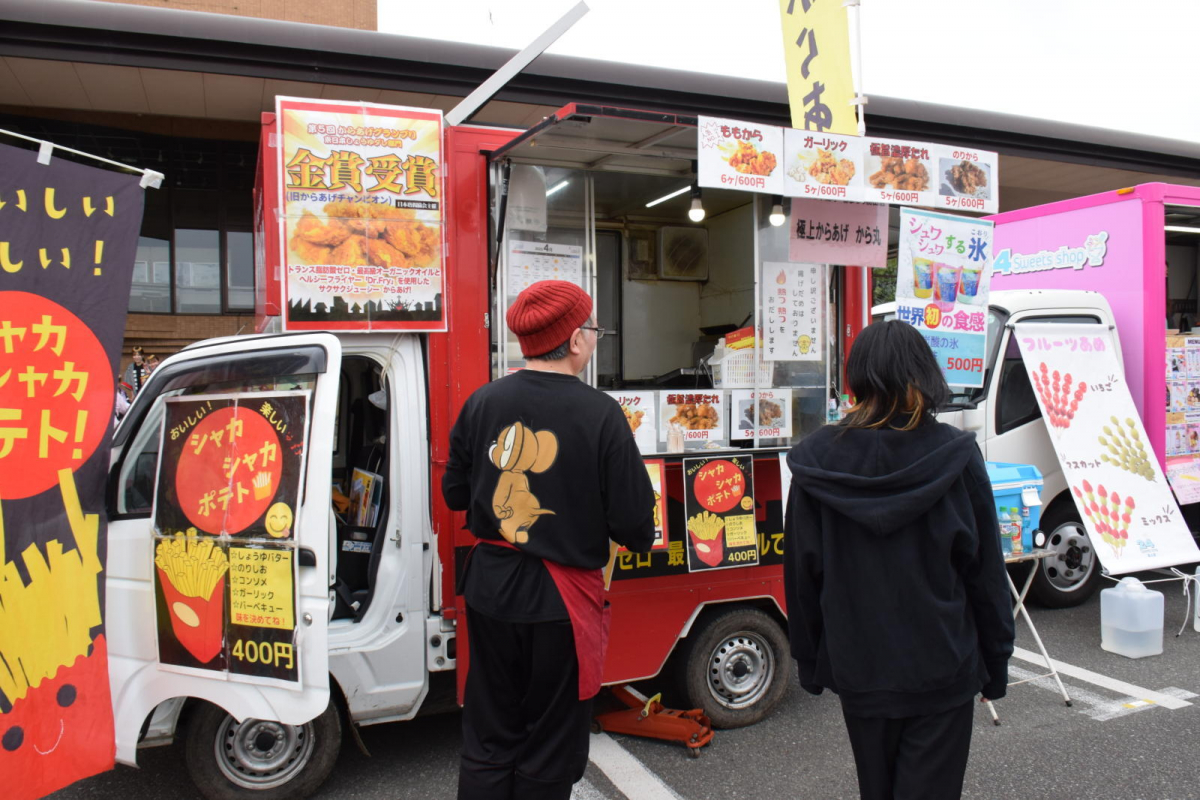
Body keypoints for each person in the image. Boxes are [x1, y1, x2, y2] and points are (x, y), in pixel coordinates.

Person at [442, 280, 655, 800]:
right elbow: (634, 526)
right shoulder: (601, 414)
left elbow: (454, 493)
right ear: (576, 338)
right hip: (561, 602)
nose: (595, 338)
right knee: (551, 743)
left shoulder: (482, 403)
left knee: (491, 733)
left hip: (491, 590)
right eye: (595, 329)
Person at [783, 320, 1014, 800]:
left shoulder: (817, 461)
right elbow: (986, 571)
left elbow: (802, 574)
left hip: (861, 665)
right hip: (942, 663)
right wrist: (996, 660)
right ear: (922, 375)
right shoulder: (954, 456)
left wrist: (809, 656)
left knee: (878, 790)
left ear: (858, 376)